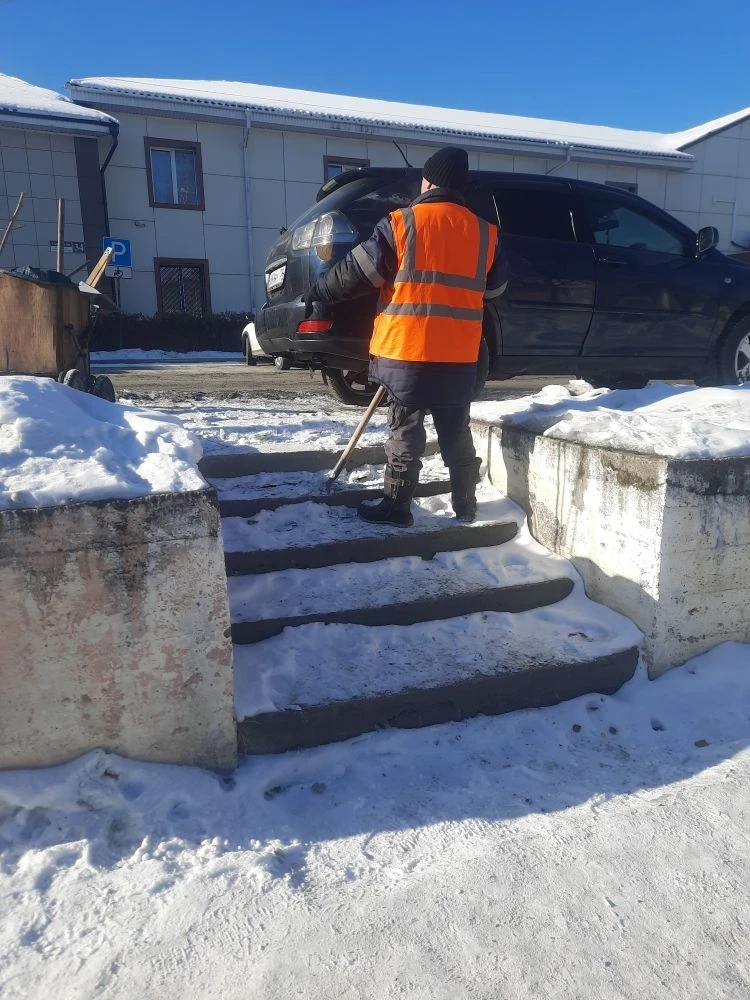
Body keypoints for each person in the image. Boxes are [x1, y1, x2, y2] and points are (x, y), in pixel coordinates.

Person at [306, 146, 508, 527]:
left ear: (428, 183)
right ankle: (465, 504)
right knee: (456, 432)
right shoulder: (485, 234)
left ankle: (397, 506)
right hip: (459, 356)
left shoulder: (402, 223)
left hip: (408, 351)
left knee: (405, 431)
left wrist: (319, 290)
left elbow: (356, 273)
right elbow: (495, 289)